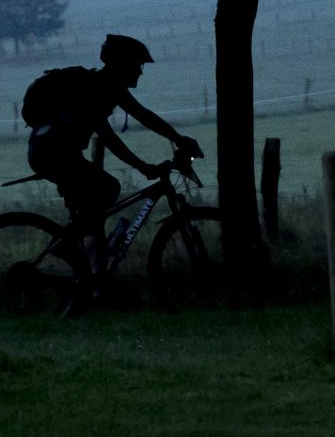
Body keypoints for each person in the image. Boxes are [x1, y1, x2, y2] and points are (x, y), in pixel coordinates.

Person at [25, 34, 203, 299]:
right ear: (123, 65)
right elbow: (108, 137)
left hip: (57, 150)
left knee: (95, 207)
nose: (141, 72)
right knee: (106, 187)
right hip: (51, 151)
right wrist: (143, 167)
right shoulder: (94, 90)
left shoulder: (110, 88)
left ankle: (93, 279)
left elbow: (146, 116)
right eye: (138, 66)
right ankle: (67, 248)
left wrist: (179, 139)